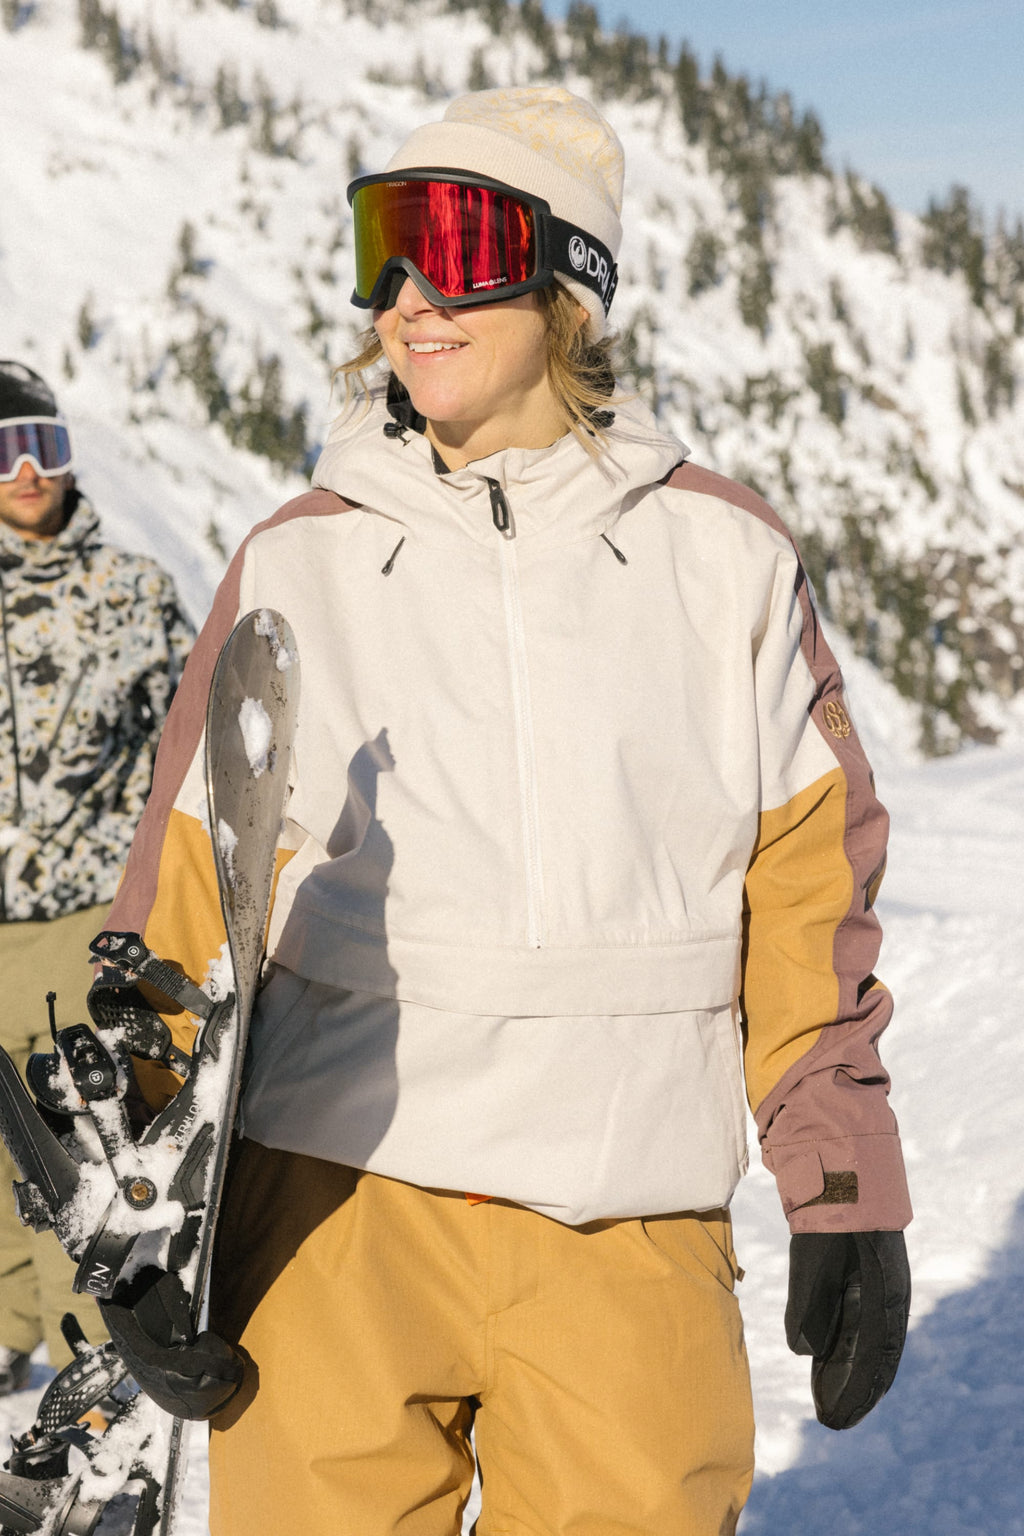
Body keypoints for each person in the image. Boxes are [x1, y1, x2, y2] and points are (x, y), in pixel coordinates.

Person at [106, 88, 912, 1535]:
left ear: (569, 281)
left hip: (628, 1215)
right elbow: (183, 897)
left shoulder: (721, 555)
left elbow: (807, 895)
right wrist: (141, 1203)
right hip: (335, 1209)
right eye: (384, 246)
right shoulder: (301, 564)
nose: (410, 297)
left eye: (459, 241)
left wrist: (840, 1179)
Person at [0, 361, 193, 1390]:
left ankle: (90, 1357)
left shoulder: (132, 591)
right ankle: (11, 1337)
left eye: (46, 445)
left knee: (73, 1143)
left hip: (86, 915)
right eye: (4, 452)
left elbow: (188, 744)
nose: (29, 472)